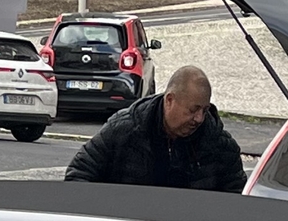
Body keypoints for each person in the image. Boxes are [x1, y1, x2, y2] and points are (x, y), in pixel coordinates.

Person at [64, 64, 248, 192]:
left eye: (205, 110)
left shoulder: (221, 147)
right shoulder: (123, 131)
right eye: (193, 110)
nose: (199, 118)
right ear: (169, 100)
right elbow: (79, 175)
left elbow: (238, 202)